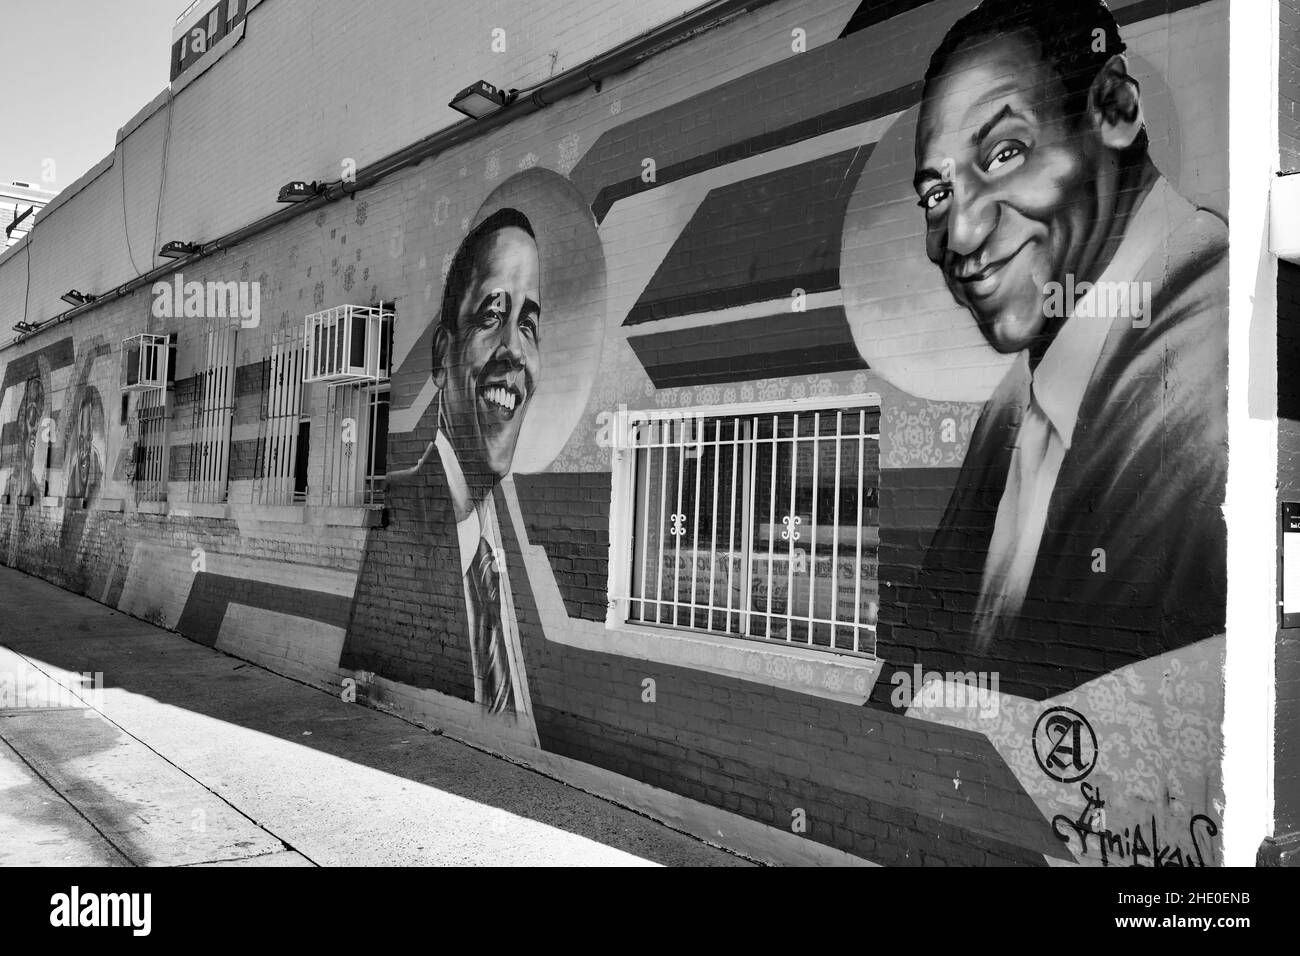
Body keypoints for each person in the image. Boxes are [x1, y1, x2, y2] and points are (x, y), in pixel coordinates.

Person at [877, 0, 1227, 702]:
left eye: (1005, 153)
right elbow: (922, 661)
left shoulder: (1208, 352)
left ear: (1116, 108)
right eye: (938, 193)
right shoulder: (1022, 400)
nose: (960, 234)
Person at [341, 208, 542, 720]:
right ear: (441, 353)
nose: (514, 351)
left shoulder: (500, 560)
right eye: (492, 317)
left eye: (528, 324)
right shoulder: (397, 512)